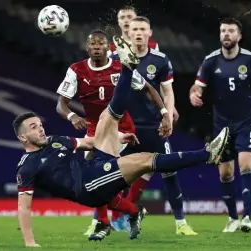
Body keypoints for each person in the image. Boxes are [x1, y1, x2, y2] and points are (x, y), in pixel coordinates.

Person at [16, 37, 230, 247]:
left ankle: (127, 69)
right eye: (33, 127)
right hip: (87, 187)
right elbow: (24, 208)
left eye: (39, 124)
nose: (41, 128)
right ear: (23, 138)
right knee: (146, 160)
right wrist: (30, 243)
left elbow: (88, 143)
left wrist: (118, 137)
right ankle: (208, 154)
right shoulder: (27, 166)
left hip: (92, 166)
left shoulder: (54, 141)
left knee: (106, 118)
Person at [55, 30, 170, 238]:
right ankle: (127, 214)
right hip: (93, 128)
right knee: (93, 180)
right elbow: (60, 105)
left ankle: (105, 222)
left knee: (100, 177)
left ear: (109, 47)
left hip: (120, 128)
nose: (97, 47)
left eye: (101, 43)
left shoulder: (120, 67)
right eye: (93, 44)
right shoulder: (76, 70)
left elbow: (149, 88)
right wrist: (72, 116)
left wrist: (164, 113)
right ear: (87, 48)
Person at [189, 17, 251, 233]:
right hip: (221, 125)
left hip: (246, 122)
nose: (226, 34)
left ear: (239, 36)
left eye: (231, 31)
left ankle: (247, 216)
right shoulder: (210, 61)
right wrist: (194, 94)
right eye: (223, 31)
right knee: (225, 174)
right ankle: (232, 217)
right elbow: (197, 85)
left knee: (246, 164)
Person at [110, 16, 197, 235]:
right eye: (134, 29)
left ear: (150, 33)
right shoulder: (115, 58)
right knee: (110, 175)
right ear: (128, 32)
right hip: (124, 128)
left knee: (169, 172)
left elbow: (167, 92)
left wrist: (167, 117)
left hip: (152, 127)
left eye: (142, 29)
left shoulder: (160, 60)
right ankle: (104, 222)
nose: (138, 32)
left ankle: (181, 224)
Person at [108, 6, 180, 122]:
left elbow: (159, 79)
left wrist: (169, 108)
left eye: (129, 17)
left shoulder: (152, 46)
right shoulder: (111, 49)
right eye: (122, 17)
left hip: (148, 109)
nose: (126, 20)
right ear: (118, 21)